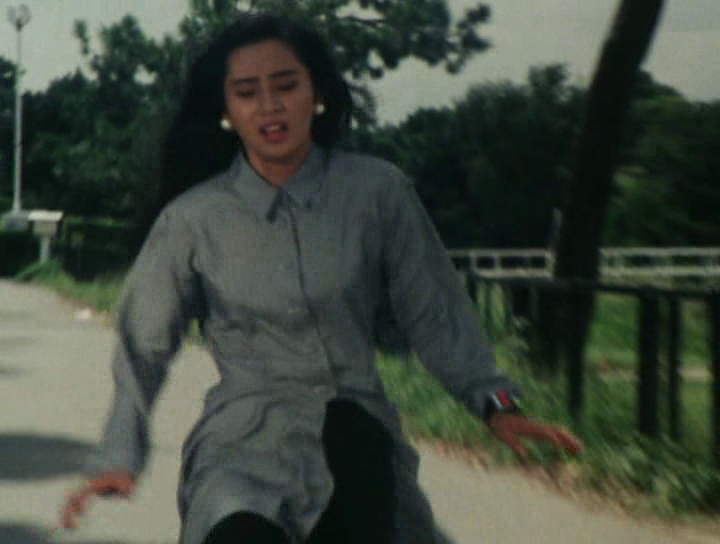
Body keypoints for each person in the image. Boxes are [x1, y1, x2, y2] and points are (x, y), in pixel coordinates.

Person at [60, 12, 583, 544]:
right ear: (226, 112)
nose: (269, 106)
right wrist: (119, 454)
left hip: (360, 443)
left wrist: (498, 406)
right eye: (247, 93)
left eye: (286, 85)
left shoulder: (378, 192)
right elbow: (142, 345)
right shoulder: (191, 220)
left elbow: (437, 314)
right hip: (242, 450)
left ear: (318, 95)